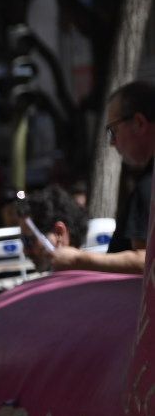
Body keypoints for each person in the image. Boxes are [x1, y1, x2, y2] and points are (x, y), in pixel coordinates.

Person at [51, 81, 155, 275]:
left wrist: (78, 259)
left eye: (113, 130)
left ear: (139, 123)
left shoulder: (149, 186)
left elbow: (146, 261)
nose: (113, 143)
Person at [18, 183, 88, 270]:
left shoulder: (98, 281)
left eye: (29, 241)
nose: (25, 251)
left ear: (59, 233)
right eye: (22, 240)